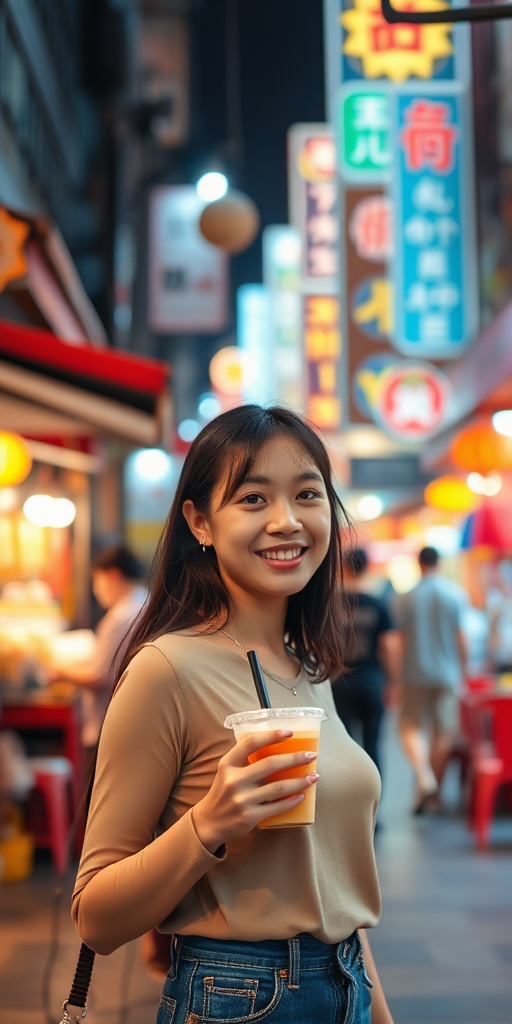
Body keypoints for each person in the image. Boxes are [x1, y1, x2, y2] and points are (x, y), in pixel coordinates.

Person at [72, 405, 393, 1024]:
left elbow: (331, 896)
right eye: (252, 499)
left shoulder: (308, 667)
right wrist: (210, 822)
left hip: (346, 979)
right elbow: (96, 917)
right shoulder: (166, 669)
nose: (286, 521)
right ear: (200, 522)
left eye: (307, 494)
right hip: (239, 996)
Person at [394, 546, 468, 814]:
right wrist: (464, 670)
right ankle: (433, 791)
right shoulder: (455, 593)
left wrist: (394, 678)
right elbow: (462, 637)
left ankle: (424, 776)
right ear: (439, 562)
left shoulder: (405, 597)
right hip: (448, 673)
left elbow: (399, 640)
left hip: (414, 672)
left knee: (411, 726)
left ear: (419, 564)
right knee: (443, 731)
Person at [53, 545, 145, 755]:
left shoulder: (122, 616)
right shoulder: (144, 603)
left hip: (110, 724)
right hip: (132, 722)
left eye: (96, 580)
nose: (97, 589)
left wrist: (60, 671)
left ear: (112, 575)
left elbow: (102, 676)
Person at [331, 548, 400, 776]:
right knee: (373, 744)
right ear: (367, 568)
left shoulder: (330, 604)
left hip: (338, 680)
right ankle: (375, 808)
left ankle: (349, 808)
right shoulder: (377, 603)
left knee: (344, 746)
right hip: (372, 680)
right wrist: (393, 682)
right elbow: (389, 646)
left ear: (344, 568)